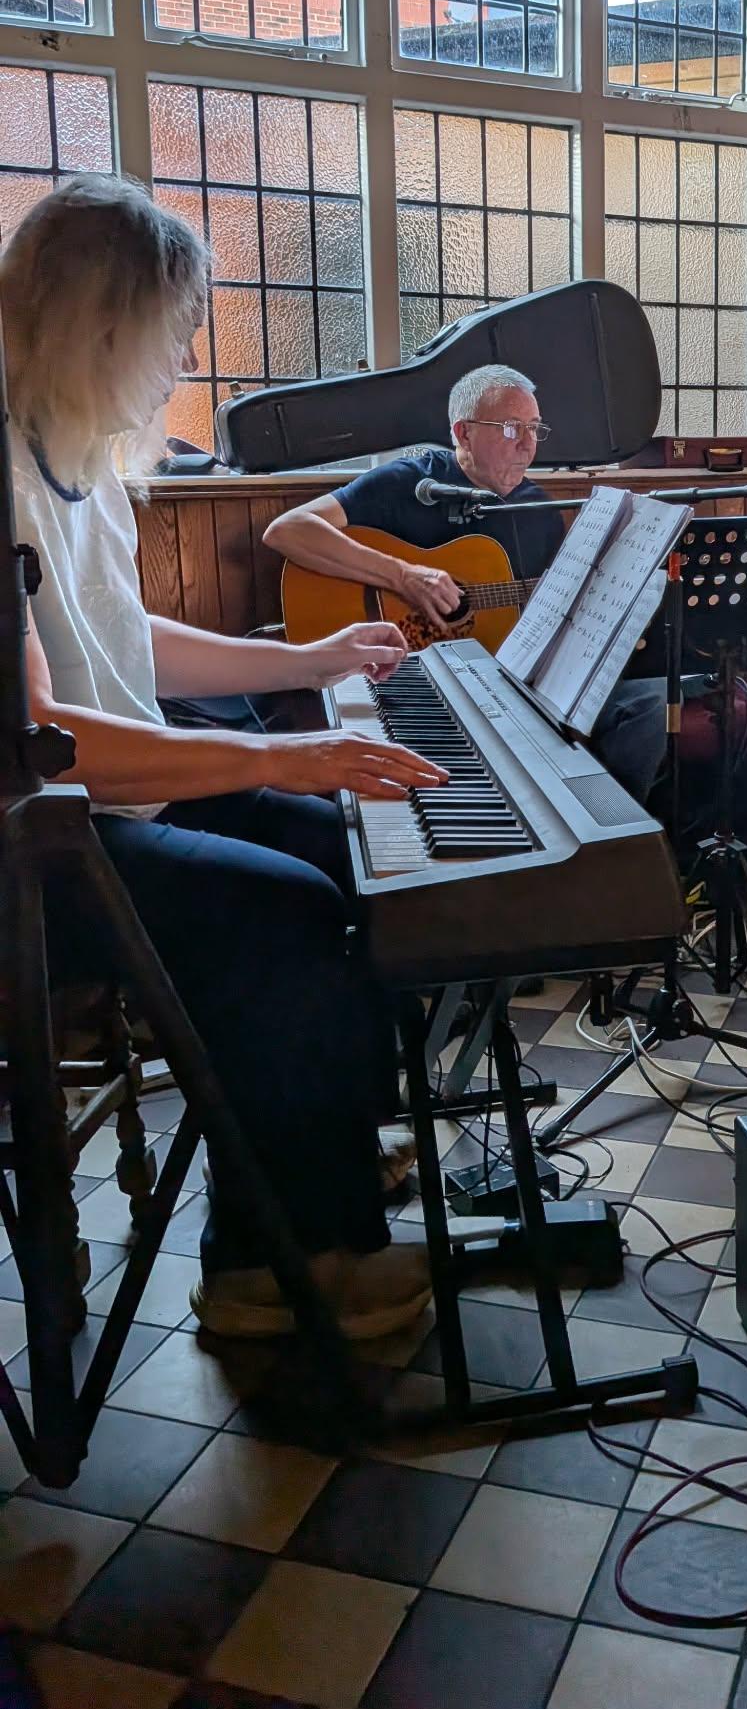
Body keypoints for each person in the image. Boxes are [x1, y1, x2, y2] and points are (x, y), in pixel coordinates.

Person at [4, 173, 448, 1342]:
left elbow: (124, 638)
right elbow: (45, 742)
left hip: (106, 803)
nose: (182, 360)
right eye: (174, 330)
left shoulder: (79, 455)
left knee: (360, 854)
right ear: (101, 323)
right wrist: (274, 763)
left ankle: (324, 1158)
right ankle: (268, 1269)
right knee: (283, 912)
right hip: (37, 848)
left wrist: (303, 662)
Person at [263, 364, 668, 806]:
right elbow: (288, 530)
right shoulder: (411, 482)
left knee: (647, 705)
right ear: (463, 432)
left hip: (515, 683)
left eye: (535, 429)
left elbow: (549, 610)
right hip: (412, 681)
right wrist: (403, 575)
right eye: (513, 428)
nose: (529, 445)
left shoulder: (537, 508)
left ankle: (622, 848)